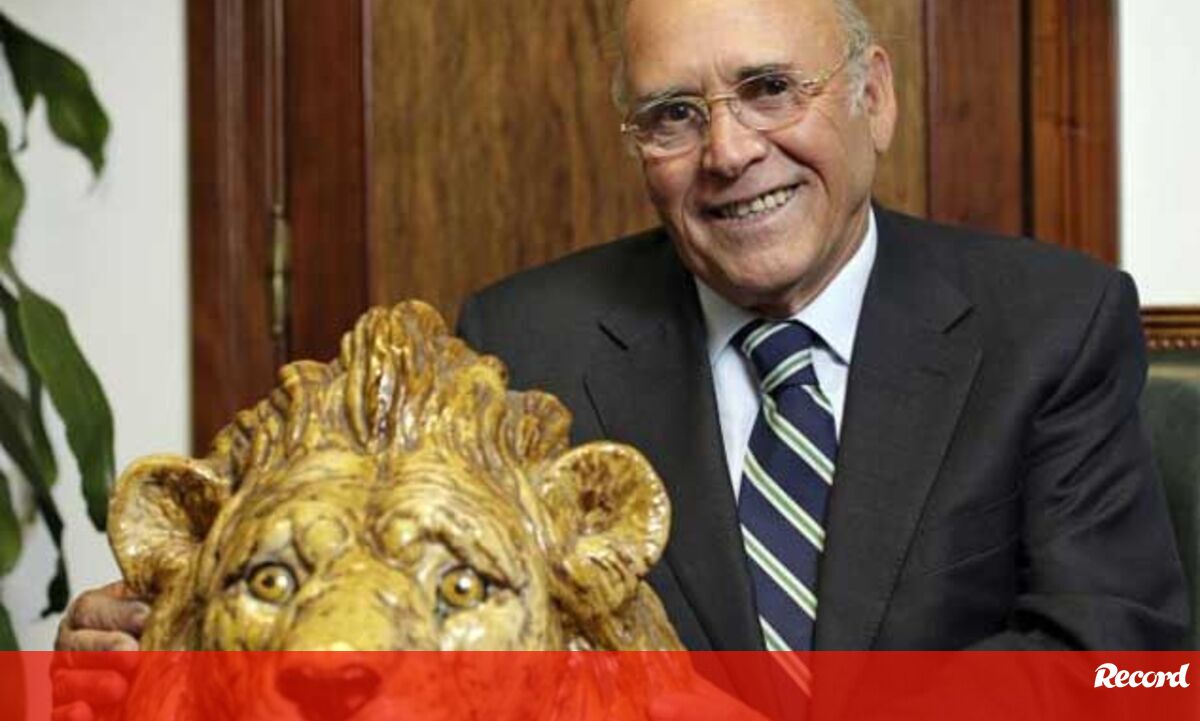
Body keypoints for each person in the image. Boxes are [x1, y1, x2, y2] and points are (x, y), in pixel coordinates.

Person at [55, 0, 1186, 692]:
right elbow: (398, 618)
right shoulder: (520, 340)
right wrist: (176, 635)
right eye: (673, 115)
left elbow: (1126, 665)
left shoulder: (1051, 321)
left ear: (874, 98)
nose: (729, 151)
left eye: (769, 89)